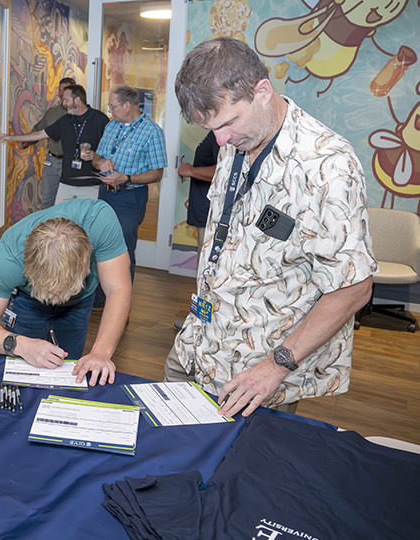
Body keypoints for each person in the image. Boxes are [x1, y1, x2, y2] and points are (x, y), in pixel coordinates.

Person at [169, 37, 378, 417]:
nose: (221, 140)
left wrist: (275, 366)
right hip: (197, 347)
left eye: (229, 123)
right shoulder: (236, 140)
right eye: (210, 128)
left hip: (255, 376)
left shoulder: (327, 166)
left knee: (234, 474)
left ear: (262, 91)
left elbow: (354, 288)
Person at [0, 198, 132, 386]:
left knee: (69, 372)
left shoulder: (99, 220)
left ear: (87, 264)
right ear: (27, 268)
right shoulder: (10, 257)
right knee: (23, 371)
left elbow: (118, 289)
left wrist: (101, 353)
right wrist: (20, 345)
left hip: (79, 303)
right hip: (29, 302)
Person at [81, 84, 167, 307]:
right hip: (105, 194)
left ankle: (119, 306)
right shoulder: (112, 126)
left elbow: (157, 174)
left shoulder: (152, 132)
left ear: (127, 105)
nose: (110, 111)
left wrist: (126, 178)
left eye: (113, 106)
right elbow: (96, 158)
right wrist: (102, 162)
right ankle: (98, 300)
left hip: (130, 198)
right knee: (97, 245)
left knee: (123, 251)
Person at [0, 84, 110, 205]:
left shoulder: (100, 119)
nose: (64, 104)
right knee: (59, 219)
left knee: (87, 221)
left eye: (66, 100)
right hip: (66, 184)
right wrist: (11, 137)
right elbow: (39, 134)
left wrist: (95, 155)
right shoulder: (65, 120)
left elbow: (111, 150)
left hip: (91, 185)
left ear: (77, 100)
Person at [173, 130, 220, 331]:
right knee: (204, 270)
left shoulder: (222, 135)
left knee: (207, 272)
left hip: (210, 214)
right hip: (204, 207)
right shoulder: (214, 134)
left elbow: (221, 171)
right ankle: (200, 321)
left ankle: (201, 324)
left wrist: (191, 171)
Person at [18, 77, 75, 209]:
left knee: (67, 202)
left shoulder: (78, 114)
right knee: (47, 201)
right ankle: (47, 228)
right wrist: (27, 141)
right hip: (51, 161)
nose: (61, 93)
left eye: (65, 90)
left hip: (70, 163)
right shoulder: (52, 112)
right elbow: (39, 129)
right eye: (59, 90)